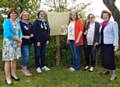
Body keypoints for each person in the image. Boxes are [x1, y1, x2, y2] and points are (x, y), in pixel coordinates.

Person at [2, 8, 22, 85]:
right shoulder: (6, 22)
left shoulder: (17, 22)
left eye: (15, 13)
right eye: (12, 13)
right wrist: (18, 40)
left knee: (14, 59)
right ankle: (7, 78)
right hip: (9, 43)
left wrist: (20, 40)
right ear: (9, 14)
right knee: (8, 60)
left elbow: (20, 32)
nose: (13, 14)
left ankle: (13, 74)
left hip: (16, 43)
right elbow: (8, 34)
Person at [99, 10, 119, 81]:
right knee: (104, 58)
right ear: (102, 16)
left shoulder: (113, 23)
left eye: (106, 16)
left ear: (109, 16)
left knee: (110, 59)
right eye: (103, 16)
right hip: (102, 44)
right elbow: (101, 34)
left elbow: (116, 35)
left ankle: (114, 74)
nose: (105, 17)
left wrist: (116, 45)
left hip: (110, 44)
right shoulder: (102, 24)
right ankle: (106, 71)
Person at [19, 11, 33, 76]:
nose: (25, 16)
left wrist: (32, 34)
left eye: (27, 15)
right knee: (26, 56)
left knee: (27, 56)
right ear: (21, 16)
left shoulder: (29, 23)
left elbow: (31, 31)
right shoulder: (19, 23)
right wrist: (24, 36)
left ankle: (25, 68)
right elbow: (17, 33)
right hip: (23, 42)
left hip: (30, 42)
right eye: (24, 15)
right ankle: (24, 69)